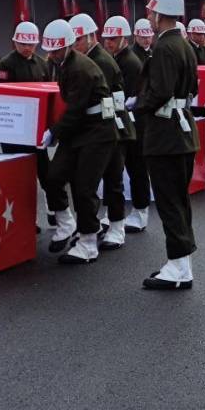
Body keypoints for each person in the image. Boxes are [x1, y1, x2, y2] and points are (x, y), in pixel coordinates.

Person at [133, 0, 199, 290]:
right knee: (179, 200)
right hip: (183, 130)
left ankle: (176, 265)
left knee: (169, 200)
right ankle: (181, 264)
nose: (149, 16)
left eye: (151, 12)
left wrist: (138, 105)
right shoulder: (184, 45)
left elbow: (159, 91)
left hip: (165, 134)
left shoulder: (163, 48)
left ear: (160, 14)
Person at [40, 19, 119, 264]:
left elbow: (76, 108)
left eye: (56, 49)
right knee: (54, 176)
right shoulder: (63, 63)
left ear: (68, 46)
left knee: (84, 187)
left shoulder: (81, 68)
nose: (52, 54)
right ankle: (66, 224)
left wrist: (54, 131)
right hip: (78, 128)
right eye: (50, 49)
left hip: (97, 131)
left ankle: (87, 241)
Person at [69, 13, 136, 251]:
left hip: (113, 127)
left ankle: (117, 226)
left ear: (90, 37)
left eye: (77, 40)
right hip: (102, 127)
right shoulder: (89, 58)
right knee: (103, 179)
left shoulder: (101, 62)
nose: (74, 46)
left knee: (112, 179)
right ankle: (103, 223)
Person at [0, 21, 56, 231]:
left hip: (37, 129)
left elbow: (50, 93)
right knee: (20, 178)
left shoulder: (43, 64)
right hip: (14, 132)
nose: (26, 48)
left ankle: (53, 210)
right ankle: (26, 219)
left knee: (46, 172)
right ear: (14, 42)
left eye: (30, 44)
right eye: (22, 43)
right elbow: (2, 96)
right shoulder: (5, 64)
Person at [102, 16, 151, 233]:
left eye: (113, 38)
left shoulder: (130, 62)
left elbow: (135, 94)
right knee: (117, 169)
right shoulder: (116, 58)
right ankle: (117, 211)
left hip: (134, 122)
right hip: (122, 120)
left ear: (124, 37)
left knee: (135, 167)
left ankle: (140, 212)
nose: (109, 42)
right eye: (107, 38)